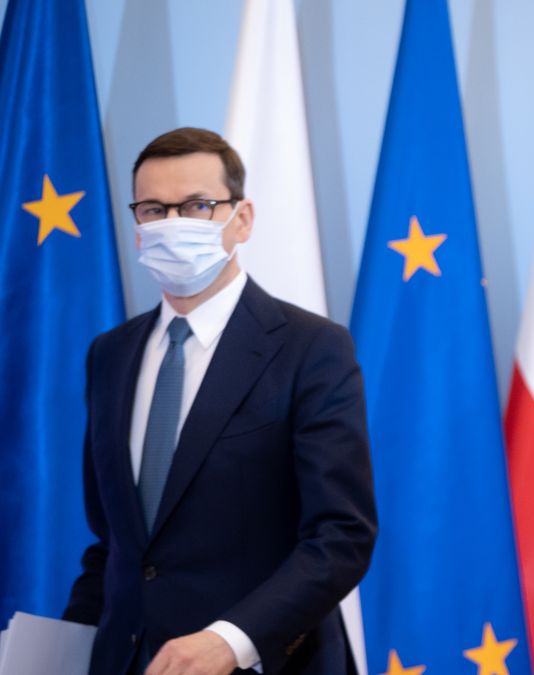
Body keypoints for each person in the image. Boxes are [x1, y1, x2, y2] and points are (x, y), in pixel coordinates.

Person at [63, 127, 377, 675]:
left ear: (243, 218)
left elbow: (342, 535)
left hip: (263, 663)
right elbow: (115, 542)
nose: (173, 224)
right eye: (154, 209)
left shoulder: (312, 349)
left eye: (198, 206)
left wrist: (230, 641)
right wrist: (61, 651)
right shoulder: (109, 355)